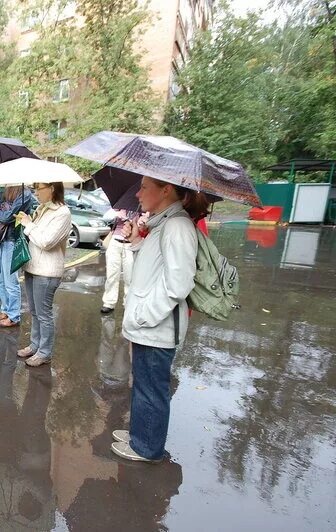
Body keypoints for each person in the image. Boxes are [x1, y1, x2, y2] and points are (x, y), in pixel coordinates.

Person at [110, 176, 207, 463]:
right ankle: (140, 434)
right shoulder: (164, 224)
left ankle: (147, 448)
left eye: (144, 187)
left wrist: (145, 315)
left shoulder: (177, 226)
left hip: (157, 326)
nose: (138, 193)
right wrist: (137, 242)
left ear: (166, 190)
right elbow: (154, 268)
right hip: (150, 326)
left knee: (151, 389)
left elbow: (178, 284)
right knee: (143, 384)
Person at [15, 182, 72, 367]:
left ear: (52, 188)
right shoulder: (41, 209)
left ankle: (45, 352)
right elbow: (33, 236)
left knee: (44, 314)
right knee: (34, 312)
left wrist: (29, 224)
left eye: (39, 188)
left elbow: (46, 242)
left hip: (47, 272)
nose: (36, 192)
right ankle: (35, 345)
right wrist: (25, 222)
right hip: (32, 268)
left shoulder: (62, 213)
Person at [0, 185, 35, 327]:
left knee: (10, 282)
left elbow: (9, 217)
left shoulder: (25, 193)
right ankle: (6, 310)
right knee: (0, 280)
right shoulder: (6, 190)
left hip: (12, 240)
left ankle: (14, 316)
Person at [100, 209, 137, 314]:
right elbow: (106, 217)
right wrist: (118, 214)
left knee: (129, 276)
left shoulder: (139, 209)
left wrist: (136, 222)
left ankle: (128, 303)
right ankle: (109, 303)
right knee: (112, 274)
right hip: (115, 242)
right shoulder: (120, 207)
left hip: (130, 244)